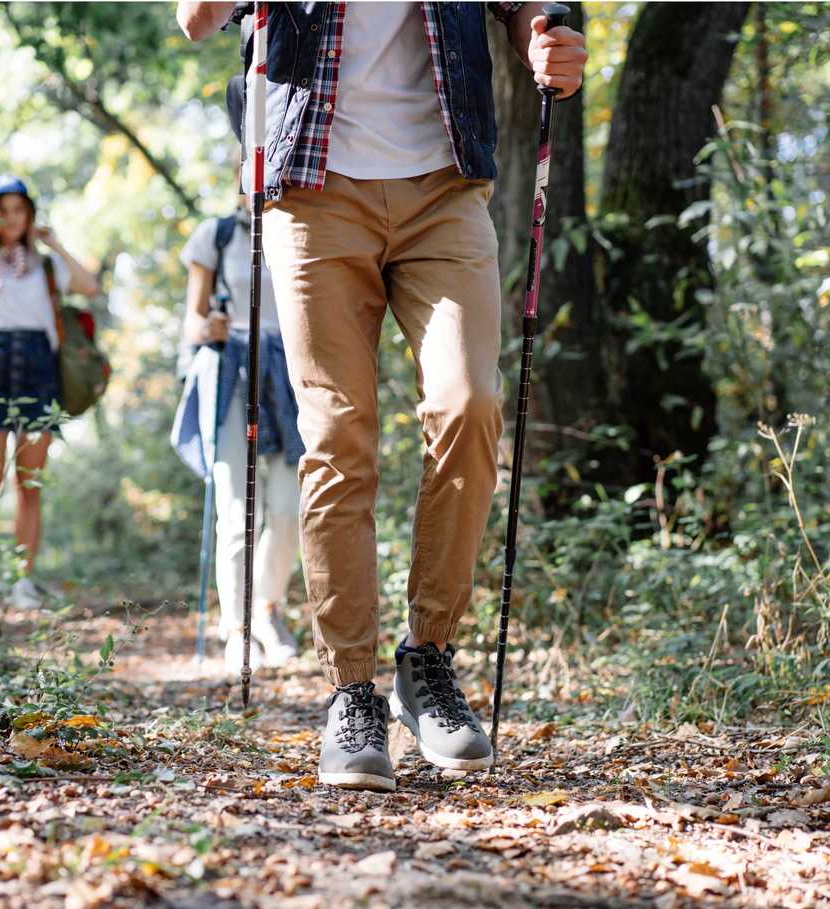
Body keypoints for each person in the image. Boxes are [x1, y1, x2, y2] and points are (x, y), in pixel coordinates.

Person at [178, 2, 587, 790]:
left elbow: (531, 8)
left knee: (470, 404)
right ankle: (350, 692)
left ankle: (426, 660)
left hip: (444, 185)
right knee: (337, 434)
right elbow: (195, 19)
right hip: (311, 186)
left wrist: (548, 41)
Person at [173, 158, 305, 673]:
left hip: (290, 374)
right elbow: (191, 321)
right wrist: (211, 328)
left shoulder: (301, 228)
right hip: (230, 373)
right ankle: (237, 629)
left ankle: (267, 609)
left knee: (288, 508)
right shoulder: (219, 235)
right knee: (236, 508)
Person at [0, 175, 99, 612]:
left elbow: (89, 286)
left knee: (29, 483)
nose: (13, 219)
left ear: (30, 215)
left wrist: (54, 244)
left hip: (39, 368)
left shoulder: (45, 266)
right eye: (4, 210)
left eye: (21, 210)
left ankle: (23, 581)